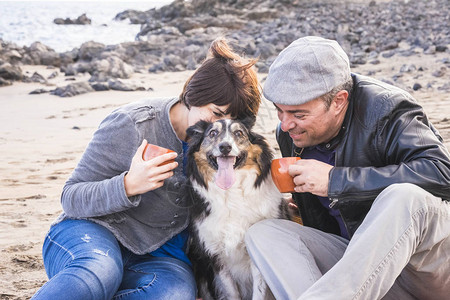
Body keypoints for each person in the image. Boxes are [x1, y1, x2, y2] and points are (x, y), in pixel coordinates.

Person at [31, 38, 261, 300]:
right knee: (100, 272)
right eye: (215, 113)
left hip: (161, 257)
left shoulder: (232, 151)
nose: (221, 132)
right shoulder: (134, 123)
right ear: (193, 96)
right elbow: (71, 197)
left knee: (174, 295)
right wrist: (128, 185)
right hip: (93, 234)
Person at [245, 36, 450, 299]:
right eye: (279, 111)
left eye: (298, 114)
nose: (285, 124)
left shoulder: (387, 109)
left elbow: (441, 172)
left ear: (339, 100)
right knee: (264, 232)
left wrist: (335, 181)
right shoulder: (291, 133)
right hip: (362, 279)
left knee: (404, 197)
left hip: (427, 271)